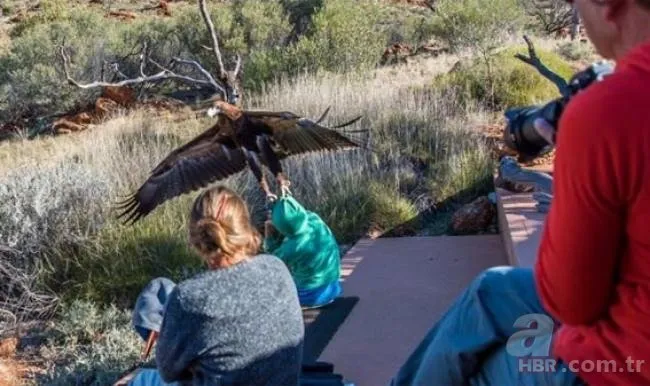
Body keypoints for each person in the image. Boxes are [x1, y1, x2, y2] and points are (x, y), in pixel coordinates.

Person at [390, 0, 650, 384]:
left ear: (608, 5)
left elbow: (571, 302)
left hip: (626, 366)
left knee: (481, 370)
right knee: (491, 289)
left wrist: (578, 156)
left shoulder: (611, 110)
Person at [127, 186, 305, 386]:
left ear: (197, 239)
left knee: (143, 380)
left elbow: (168, 372)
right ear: (245, 228)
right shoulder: (277, 267)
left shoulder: (187, 298)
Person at [263, 194, 342, 309]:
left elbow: (272, 261)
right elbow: (293, 214)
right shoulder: (314, 218)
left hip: (310, 296)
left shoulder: (292, 248)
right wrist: (280, 205)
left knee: (271, 291)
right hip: (334, 286)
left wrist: (269, 234)